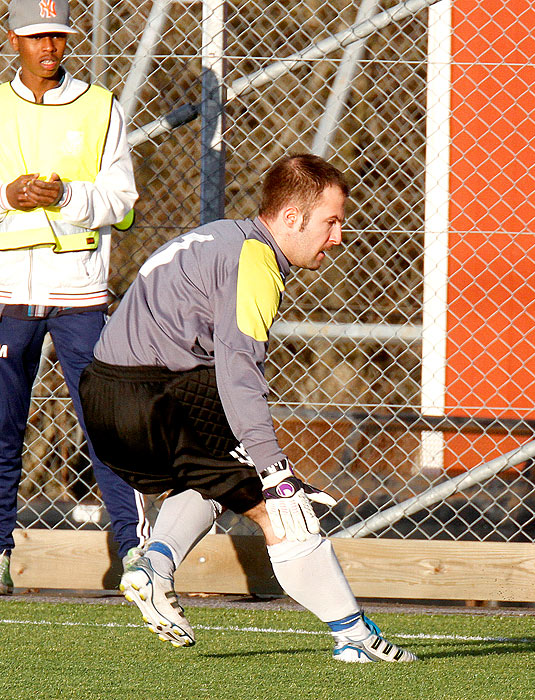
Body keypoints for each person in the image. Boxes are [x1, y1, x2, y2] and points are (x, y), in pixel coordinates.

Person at [79, 153, 417, 663]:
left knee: (214, 482)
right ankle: (354, 636)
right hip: (156, 396)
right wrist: (275, 471)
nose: (338, 237)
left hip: (104, 396)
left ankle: (154, 566)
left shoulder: (220, 235)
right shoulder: (255, 259)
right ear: (289, 218)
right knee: (281, 511)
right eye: (331, 222)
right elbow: (239, 376)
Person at [0, 0, 147, 595]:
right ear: (13, 37)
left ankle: (137, 551)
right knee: (2, 429)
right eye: (36, 36)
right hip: (8, 295)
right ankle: (0, 552)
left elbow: (123, 200)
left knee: (106, 425)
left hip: (82, 293)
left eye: (58, 36)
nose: (49, 48)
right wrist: (11, 195)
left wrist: (66, 196)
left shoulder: (99, 105)